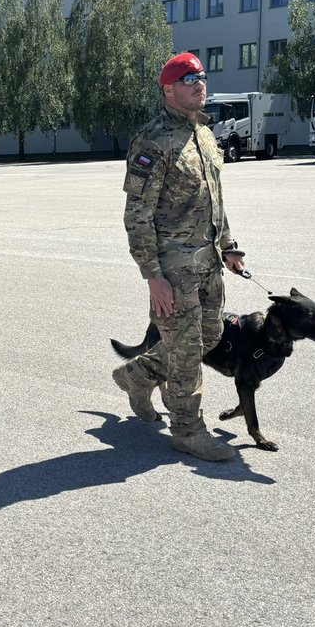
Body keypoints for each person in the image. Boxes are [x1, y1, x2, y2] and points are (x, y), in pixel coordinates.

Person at [112, 52, 247, 463]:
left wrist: (229, 245)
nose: (199, 84)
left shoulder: (204, 135)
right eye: (189, 79)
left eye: (202, 77)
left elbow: (214, 200)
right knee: (187, 350)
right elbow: (137, 214)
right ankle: (188, 430)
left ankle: (138, 373)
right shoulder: (153, 141)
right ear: (168, 90)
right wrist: (152, 275)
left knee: (210, 338)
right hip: (174, 269)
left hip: (208, 263)